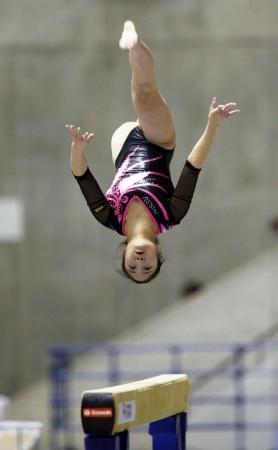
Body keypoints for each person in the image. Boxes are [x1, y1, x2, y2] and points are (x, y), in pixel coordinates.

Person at [67, 20, 239, 284]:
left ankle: (135, 50)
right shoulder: (170, 215)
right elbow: (193, 166)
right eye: (147, 268)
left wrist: (77, 149)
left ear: (124, 253)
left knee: (144, 101)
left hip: (122, 144)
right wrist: (212, 126)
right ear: (158, 254)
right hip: (159, 143)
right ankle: (134, 44)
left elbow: (81, 175)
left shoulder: (109, 217)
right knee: (145, 93)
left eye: (132, 267)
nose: (139, 263)